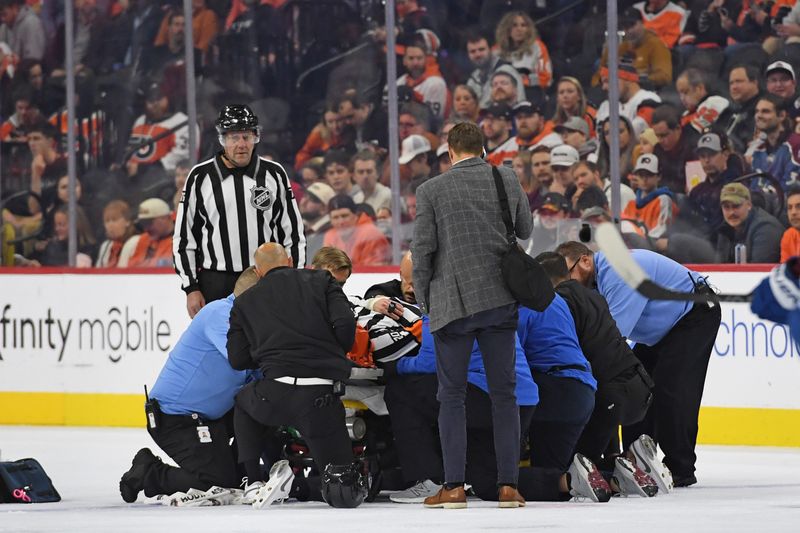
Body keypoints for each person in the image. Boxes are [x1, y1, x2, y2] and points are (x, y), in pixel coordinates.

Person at [412, 121, 532, 508]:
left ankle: (454, 487)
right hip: (500, 300)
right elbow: (525, 229)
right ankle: (508, 487)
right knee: (504, 395)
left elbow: (424, 253)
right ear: (482, 149)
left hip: (452, 305)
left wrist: (429, 306)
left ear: (449, 152)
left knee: (452, 397)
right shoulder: (506, 178)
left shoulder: (430, 190)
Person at [556, 241, 721, 488]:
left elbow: (611, 336)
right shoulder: (595, 282)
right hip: (667, 327)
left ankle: (681, 467)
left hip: (694, 314)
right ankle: (634, 460)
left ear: (586, 261)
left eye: (568, 274)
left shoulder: (619, 270)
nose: (566, 284)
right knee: (637, 387)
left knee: (672, 389)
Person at [227, 243, 365, 509]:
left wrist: (268, 353)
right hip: (320, 397)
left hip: (274, 395)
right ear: (290, 261)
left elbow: (238, 359)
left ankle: (255, 481)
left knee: (243, 402)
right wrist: (334, 349)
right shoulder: (321, 280)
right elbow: (346, 324)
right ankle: (304, 485)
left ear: (257, 271)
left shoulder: (244, 302)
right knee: (341, 490)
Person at [118, 267, 261, 504]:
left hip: (208, 417)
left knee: (263, 406)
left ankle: (244, 472)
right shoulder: (220, 314)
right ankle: (149, 471)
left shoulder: (243, 319)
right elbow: (241, 358)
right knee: (217, 484)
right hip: (175, 419)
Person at [173, 104, 305, 318]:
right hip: (215, 283)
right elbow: (184, 238)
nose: (241, 144)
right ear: (223, 140)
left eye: (246, 137)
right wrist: (191, 287)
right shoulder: (200, 177)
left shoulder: (274, 173)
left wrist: (295, 280)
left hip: (266, 278)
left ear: (256, 138)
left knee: (267, 347)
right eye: (235, 138)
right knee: (221, 347)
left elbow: (293, 234)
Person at [537, 253, 656, 481]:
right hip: (638, 387)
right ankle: (617, 461)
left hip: (611, 395)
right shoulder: (594, 296)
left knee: (573, 468)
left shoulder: (560, 302)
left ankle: (614, 473)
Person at [715, 183, 783, 263]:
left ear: (749, 205)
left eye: (736, 206)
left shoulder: (767, 228)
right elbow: (720, 268)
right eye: (726, 207)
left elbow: (758, 272)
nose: (731, 212)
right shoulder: (725, 228)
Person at [323, 194, 389, 267]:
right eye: (335, 217)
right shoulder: (330, 235)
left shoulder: (371, 234)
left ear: (355, 215)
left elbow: (373, 271)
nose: (341, 222)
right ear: (331, 220)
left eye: (344, 216)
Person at [623, 154, 677, 239]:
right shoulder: (631, 203)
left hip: (653, 249)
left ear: (659, 176)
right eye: (641, 175)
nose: (644, 179)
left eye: (649, 174)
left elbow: (660, 234)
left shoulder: (664, 200)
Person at [127, 198, 174, 268]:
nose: (146, 228)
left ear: (165, 218)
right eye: (143, 224)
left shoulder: (185, 239)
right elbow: (132, 266)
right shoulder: (144, 239)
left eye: (149, 222)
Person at [96, 200, 139, 268]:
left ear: (127, 221)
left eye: (114, 220)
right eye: (107, 221)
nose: (110, 225)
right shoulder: (105, 246)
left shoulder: (137, 242)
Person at [781, 186, 800, 262]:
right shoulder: (788, 235)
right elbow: (785, 271)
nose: (793, 212)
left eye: (799, 206)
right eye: (789, 208)